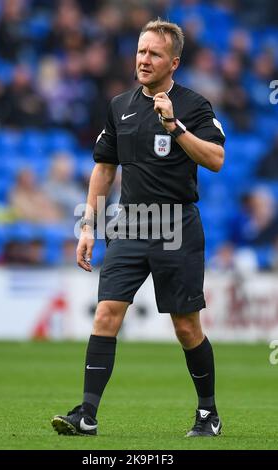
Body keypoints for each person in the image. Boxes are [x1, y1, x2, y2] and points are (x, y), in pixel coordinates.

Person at [51, 19, 225, 438]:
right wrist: (88, 226)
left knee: (186, 327)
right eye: (141, 51)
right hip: (129, 223)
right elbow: (104, 169)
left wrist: (175, 127)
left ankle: (208, 414)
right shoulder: (119, 106)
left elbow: (216, 159)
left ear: (174, 63)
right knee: (107, 313)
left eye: (155, 54)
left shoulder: (194, 106)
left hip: (176, 225)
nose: (144, 60)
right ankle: (86, 415)